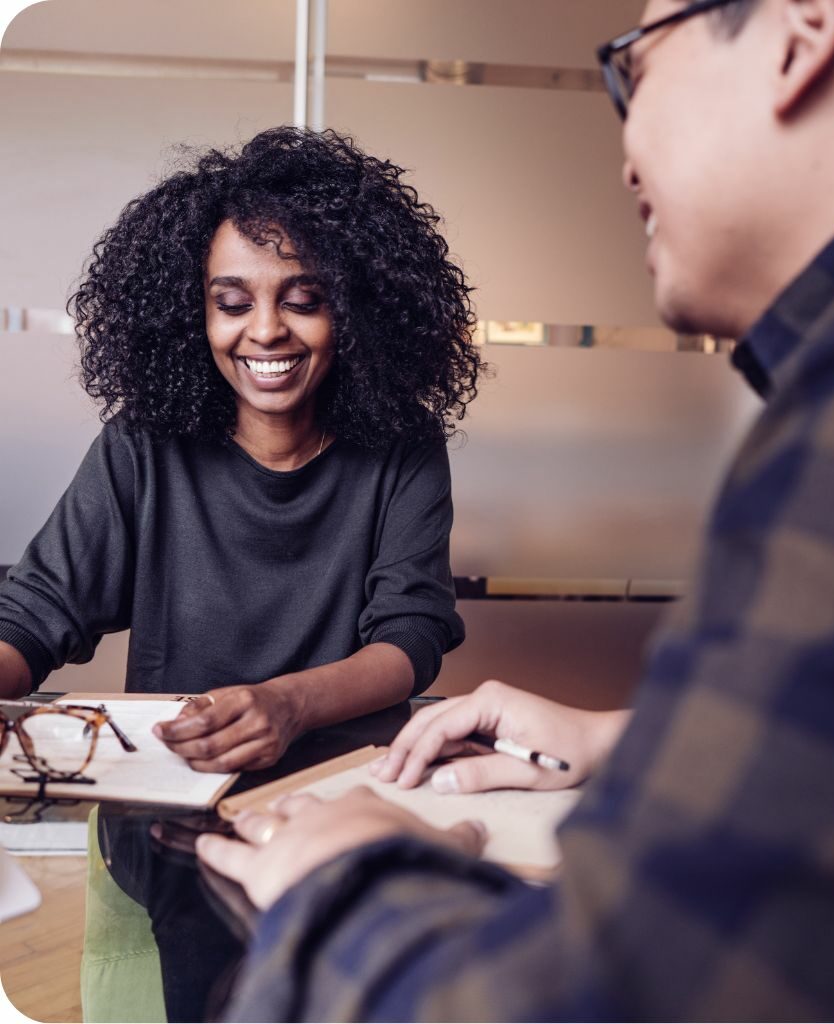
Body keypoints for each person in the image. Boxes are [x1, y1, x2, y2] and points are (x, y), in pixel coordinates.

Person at [198, 0, 834, 1019]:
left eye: (633, 69)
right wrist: (616, 739)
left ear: (801, 35)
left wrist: (348, 882)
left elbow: (634, 991)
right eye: (231, 300)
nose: (624, 157)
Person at [0, 126, 481, 773]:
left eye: (303, 300)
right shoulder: (143, 443)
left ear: (354, 311)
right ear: (192, 315)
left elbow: (410, 635)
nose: (265, 330)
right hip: (164, 794)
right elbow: (39, 610)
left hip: (340, 792)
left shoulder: (403, 448)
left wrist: (288, 704)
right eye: (231, 302)